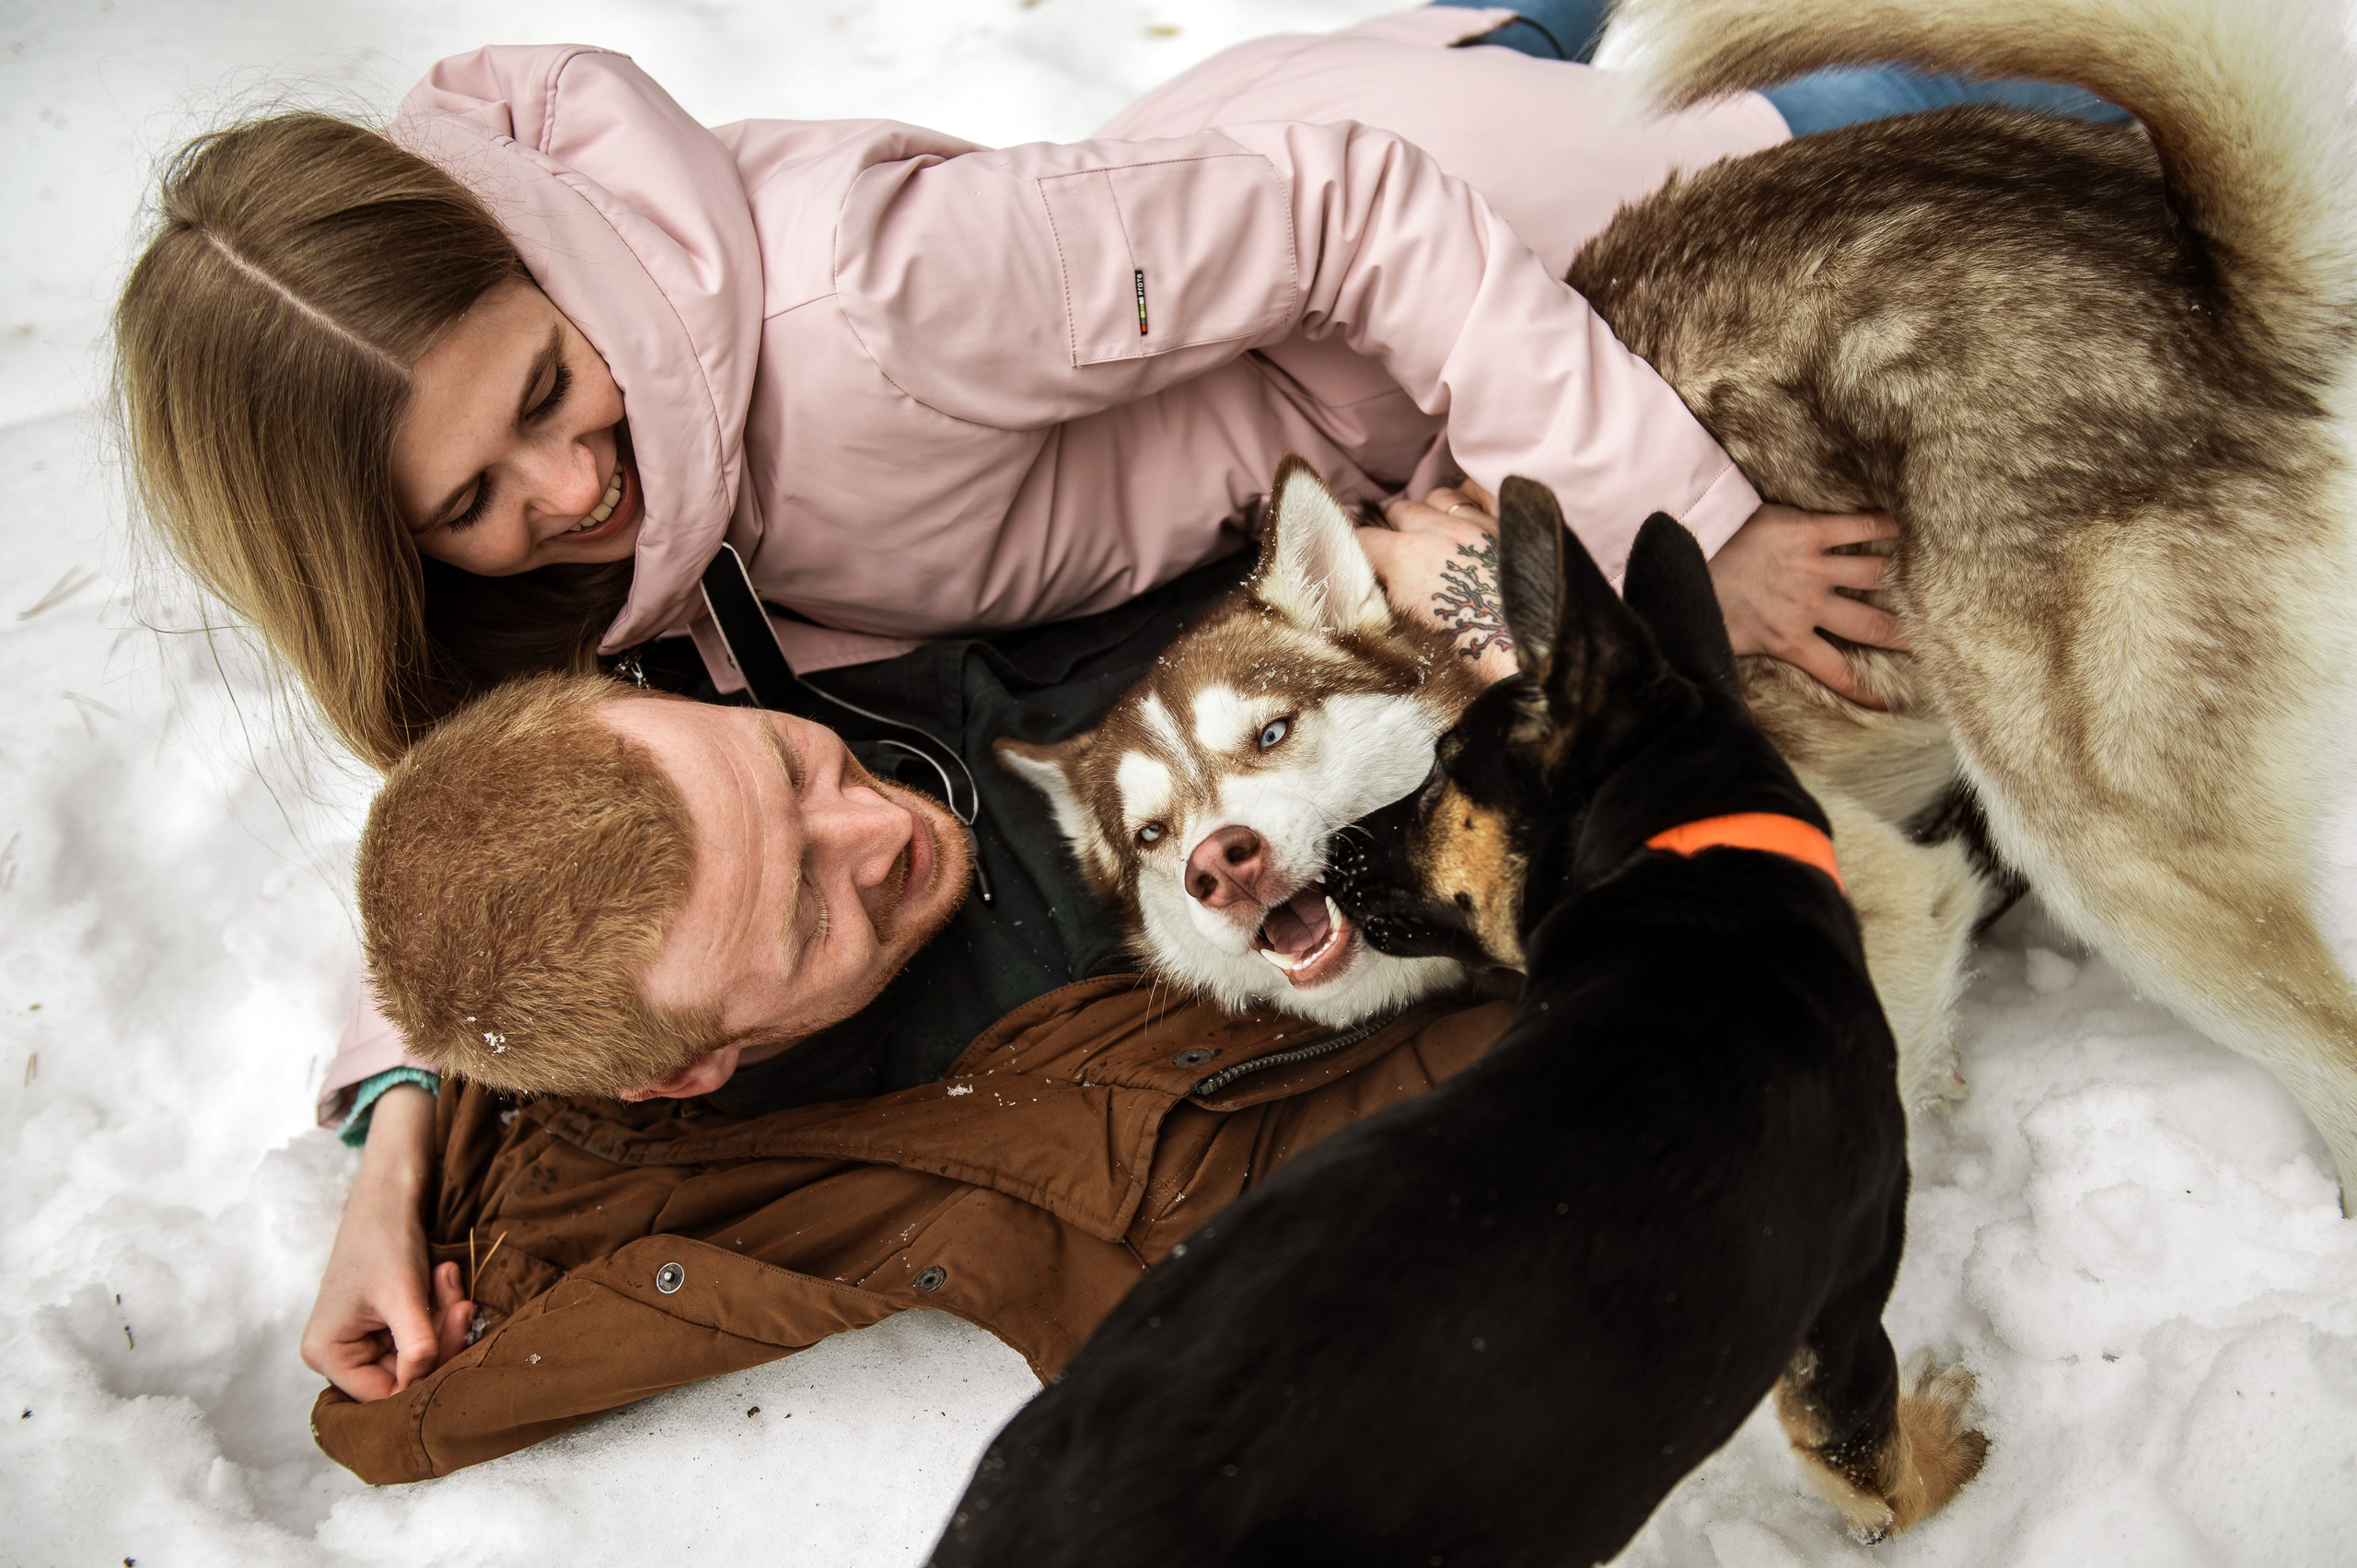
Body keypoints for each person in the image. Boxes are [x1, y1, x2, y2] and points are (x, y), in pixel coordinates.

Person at [111, 5, 2126, 1410]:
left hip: (1496, 256)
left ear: (545, 262)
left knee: (2032, 105)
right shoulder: (575, 561)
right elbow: (486, 834)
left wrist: (1678, 521)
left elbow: (1352, 210)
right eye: (467, 503)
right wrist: (397, 1138)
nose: (562, 492)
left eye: (548, 391)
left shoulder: (868, 308)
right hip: (1190, 230)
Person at [313, 670, 1518, 1480]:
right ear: (693, 1070)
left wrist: (391, 1138)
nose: (876, 833)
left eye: (786, 767)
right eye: (799, 912)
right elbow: (407, 1415)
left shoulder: (847, 665)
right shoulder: (830, 1148)